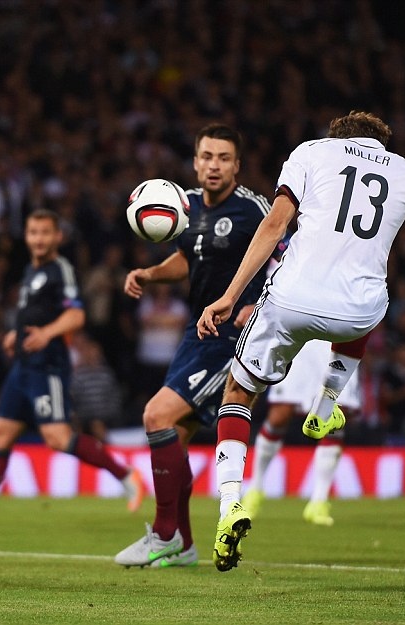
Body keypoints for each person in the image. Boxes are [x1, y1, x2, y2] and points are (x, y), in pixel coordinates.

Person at [197, 110, 405, 572]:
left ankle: (230, 502)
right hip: (356, 312)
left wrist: (230, 296)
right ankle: (327, 402)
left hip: (291, 299)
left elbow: (275, 224)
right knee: (372, 298)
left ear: (338, 135)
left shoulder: (311, 152)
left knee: (239, 391)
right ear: (381, 144)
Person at [113, 123, 273, 569]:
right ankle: (182, 543)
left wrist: (257, 303)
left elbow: (287, 258)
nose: (214, 165)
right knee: (174, 439)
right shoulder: (185, 204)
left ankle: (164, 535)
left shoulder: (254, 209)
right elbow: (187, 258)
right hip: (195, 333)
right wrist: (149, 274)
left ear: (237, 166)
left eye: (223, 158)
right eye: (206, 156)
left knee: (156, 415)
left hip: (233, 335)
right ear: (196, 161)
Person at [0, 209, 145, 526]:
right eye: (33, 232)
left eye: (45, 232)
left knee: (58, 438)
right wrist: (17, 335)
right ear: (26, 235)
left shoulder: (60, 270)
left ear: (57, 236)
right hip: (23, 367)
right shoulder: (31, 271)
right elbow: (38, 314)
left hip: (47, 367)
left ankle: (126, 475)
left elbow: (76, 315)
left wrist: (47, 334)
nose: (39, 239)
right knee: (0, 434)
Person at [241, 338, 364, 526]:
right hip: (303, 338)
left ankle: (319, 501)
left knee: (333, 414)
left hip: (339, 336)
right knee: (280, 414)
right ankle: (255, 489)